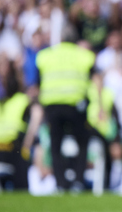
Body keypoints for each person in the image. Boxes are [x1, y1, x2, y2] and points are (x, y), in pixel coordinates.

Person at [36, 27, 96, 192]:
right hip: (74, 106)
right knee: (82, 142)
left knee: (56, 145)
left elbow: (37, 81)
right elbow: (92, 78)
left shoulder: (46, 55)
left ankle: (60, 183)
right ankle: (77, 181)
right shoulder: (84, 55)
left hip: (52, 106)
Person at [0, 61, 43, 189]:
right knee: (24, 154)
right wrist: (27, 143)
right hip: (9, 149)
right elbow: (38, 114)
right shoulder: (22, 100)